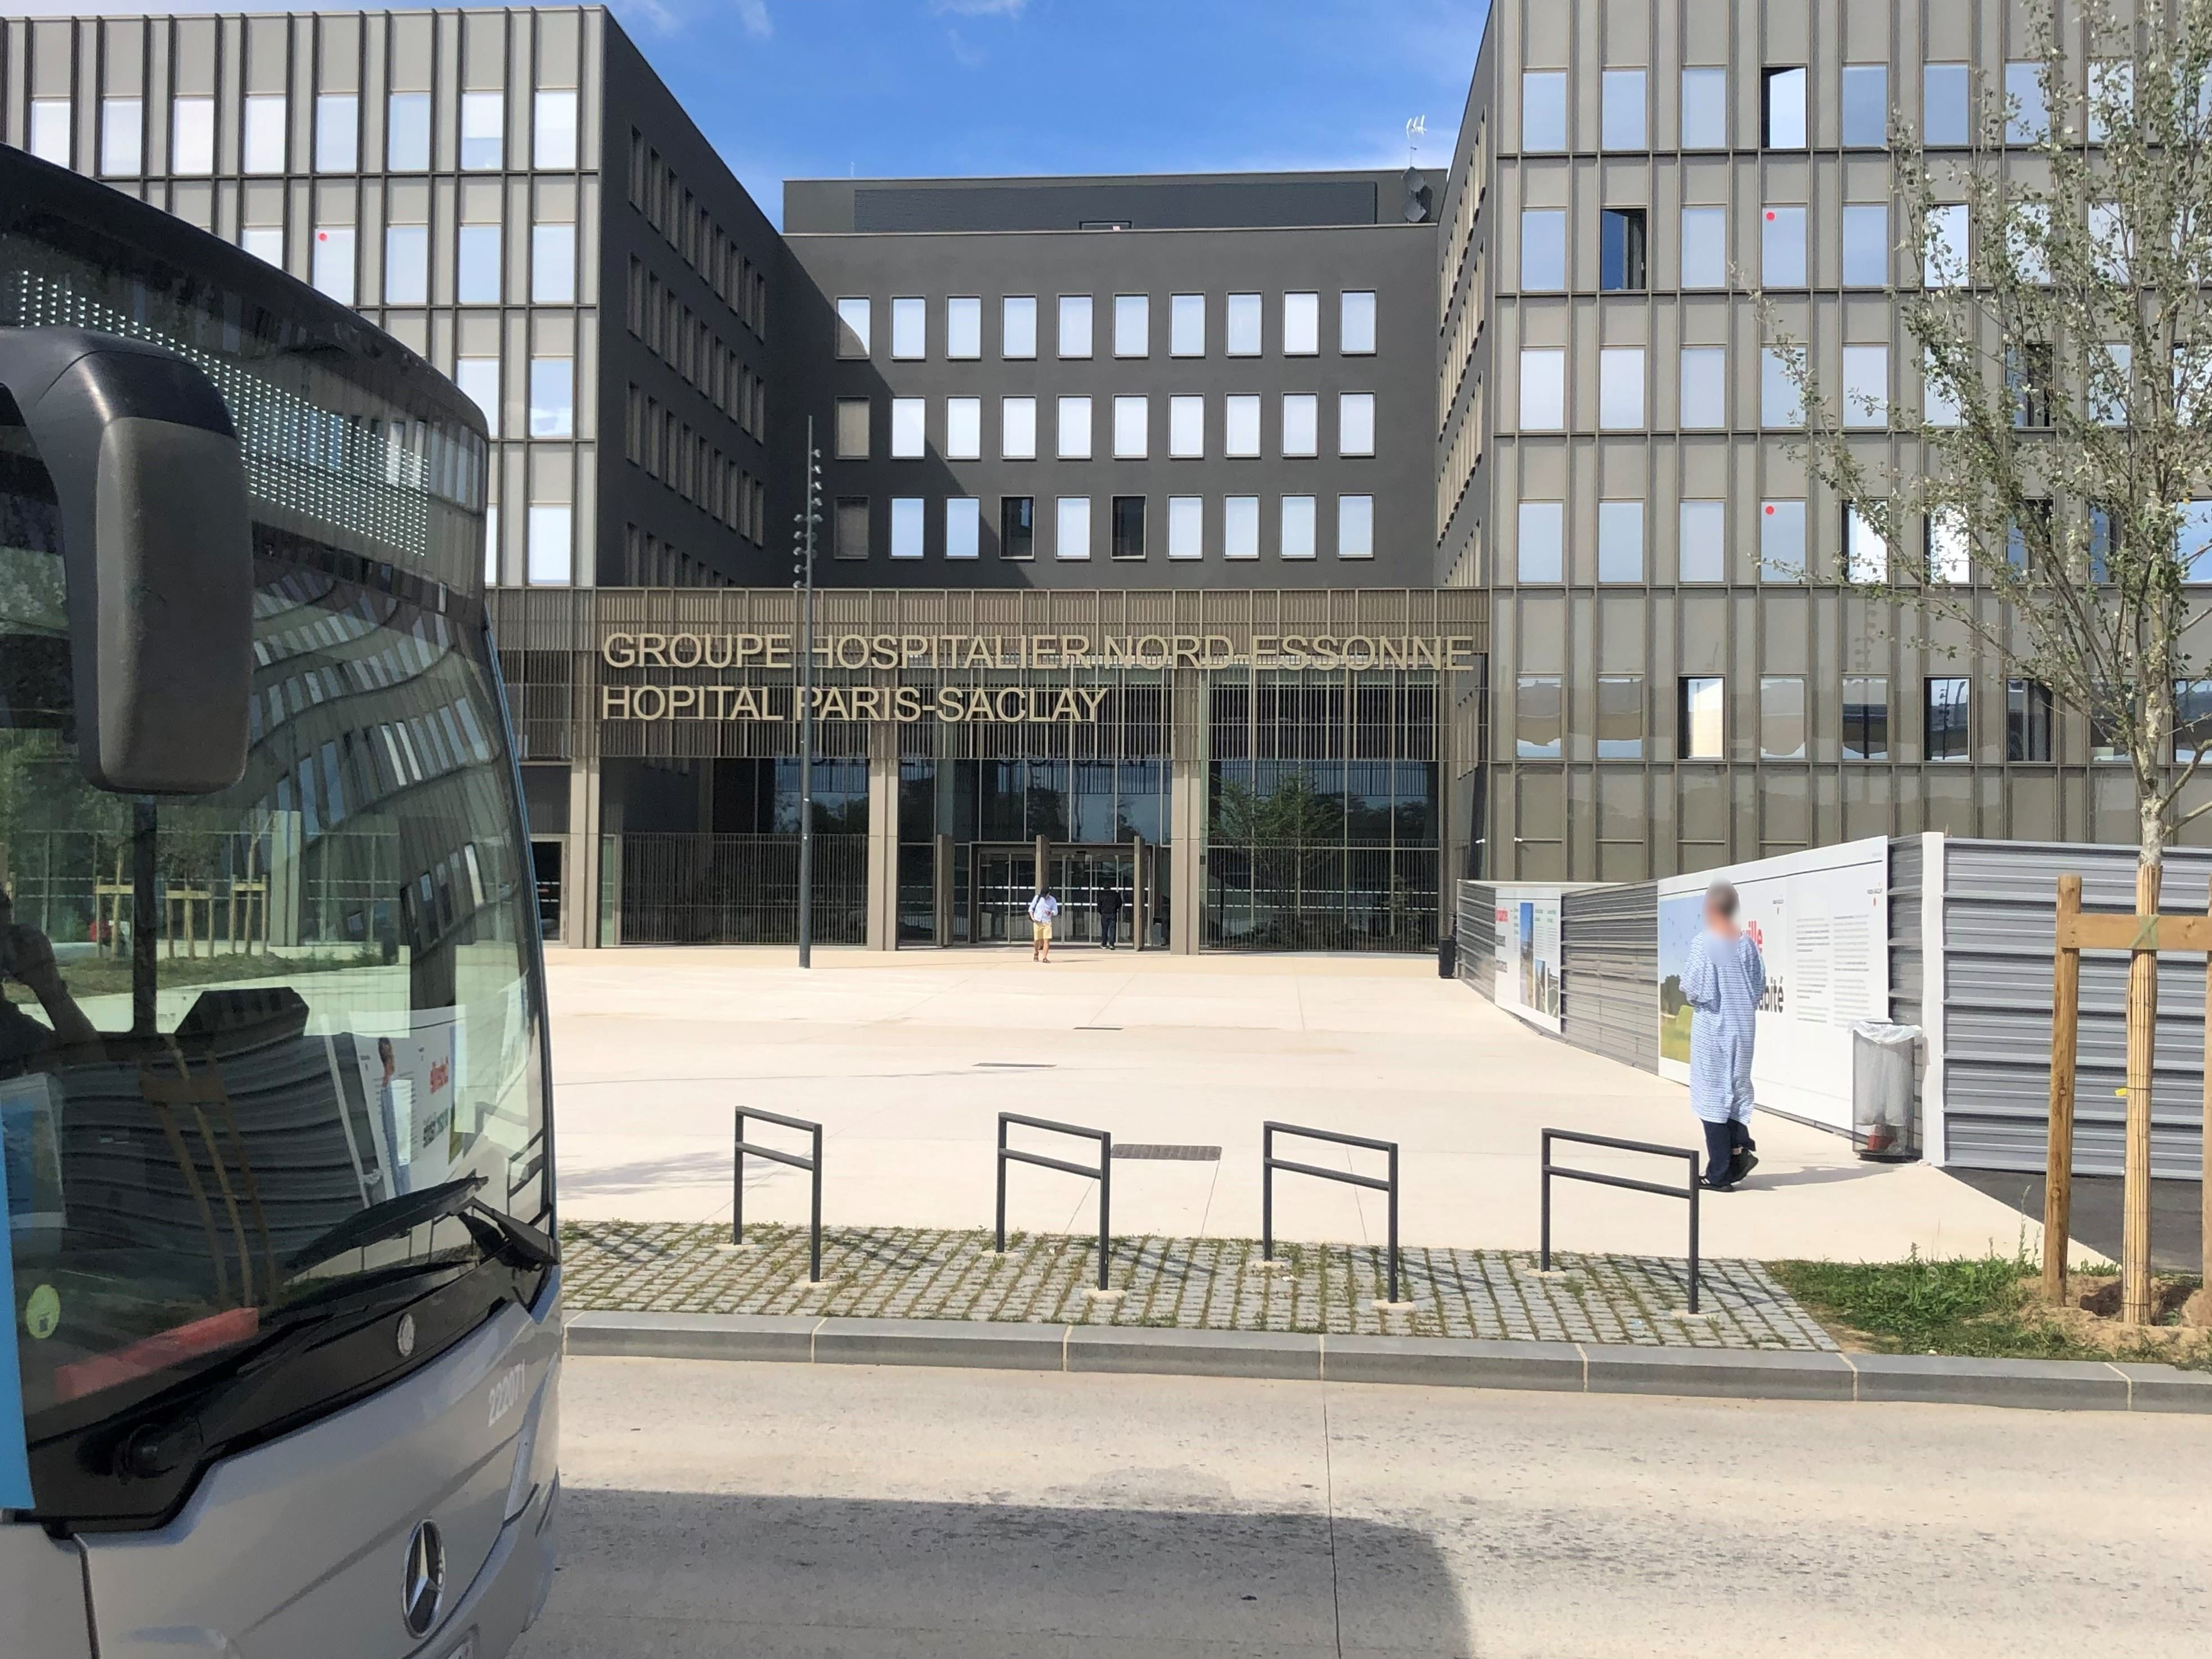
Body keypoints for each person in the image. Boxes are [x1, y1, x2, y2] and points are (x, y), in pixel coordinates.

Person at [1677, 880, 1765, 1191]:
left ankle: (1720, 1173)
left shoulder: (1706, 943)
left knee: (1711, 1097)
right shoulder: (1747, 944)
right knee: (1737, 1090)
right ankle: (1740, 1148)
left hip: (1714, 1028)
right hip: (1743, 1027)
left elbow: (1698, 988)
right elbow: (1758, 985)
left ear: (1712, 909)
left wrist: (1688, 993)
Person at [1027, 884, 1061, 962]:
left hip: (1047, 922)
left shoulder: (1052, 900)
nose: (1044, 897)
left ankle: (1044, 958)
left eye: (1045, 895)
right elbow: (1031, 909)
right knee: (1037, 940)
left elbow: (1056, 911)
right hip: (1038, 921)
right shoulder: (1038, 898)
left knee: (1047, 940)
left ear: (1048, 894)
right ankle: (1036, 953)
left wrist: (1051, 913)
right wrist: (1033, 918)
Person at [1097, 884, 1123, 950]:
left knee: (1104, 929)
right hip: (1113, 913)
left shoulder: (1101, 895)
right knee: (1113, 929)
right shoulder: (1116, 895)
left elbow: (1099, 905)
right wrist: (1115, 909)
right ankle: (1112, 944)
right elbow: (1119, 904)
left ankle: (1104, 944)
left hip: (1104, 914)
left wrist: (1101, 912)